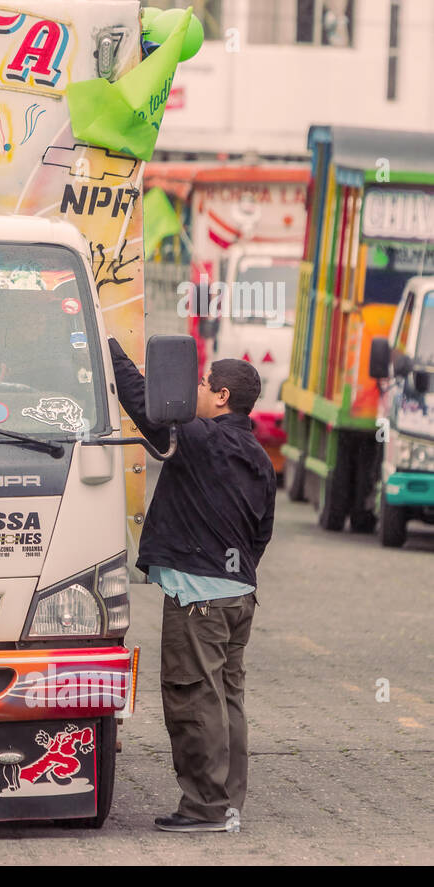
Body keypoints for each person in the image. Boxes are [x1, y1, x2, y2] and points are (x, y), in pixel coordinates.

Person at [108, 338, 276, 833]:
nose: (196, 391)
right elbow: (260, 534)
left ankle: (204, 808)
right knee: (225, 700)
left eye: (203, 385)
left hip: (200, 602)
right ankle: (226, 804)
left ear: (221, 396)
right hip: (236, 596)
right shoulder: (258, 457)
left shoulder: (198, 439)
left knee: (193, 698)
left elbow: (145, 406)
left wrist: (108, 345)